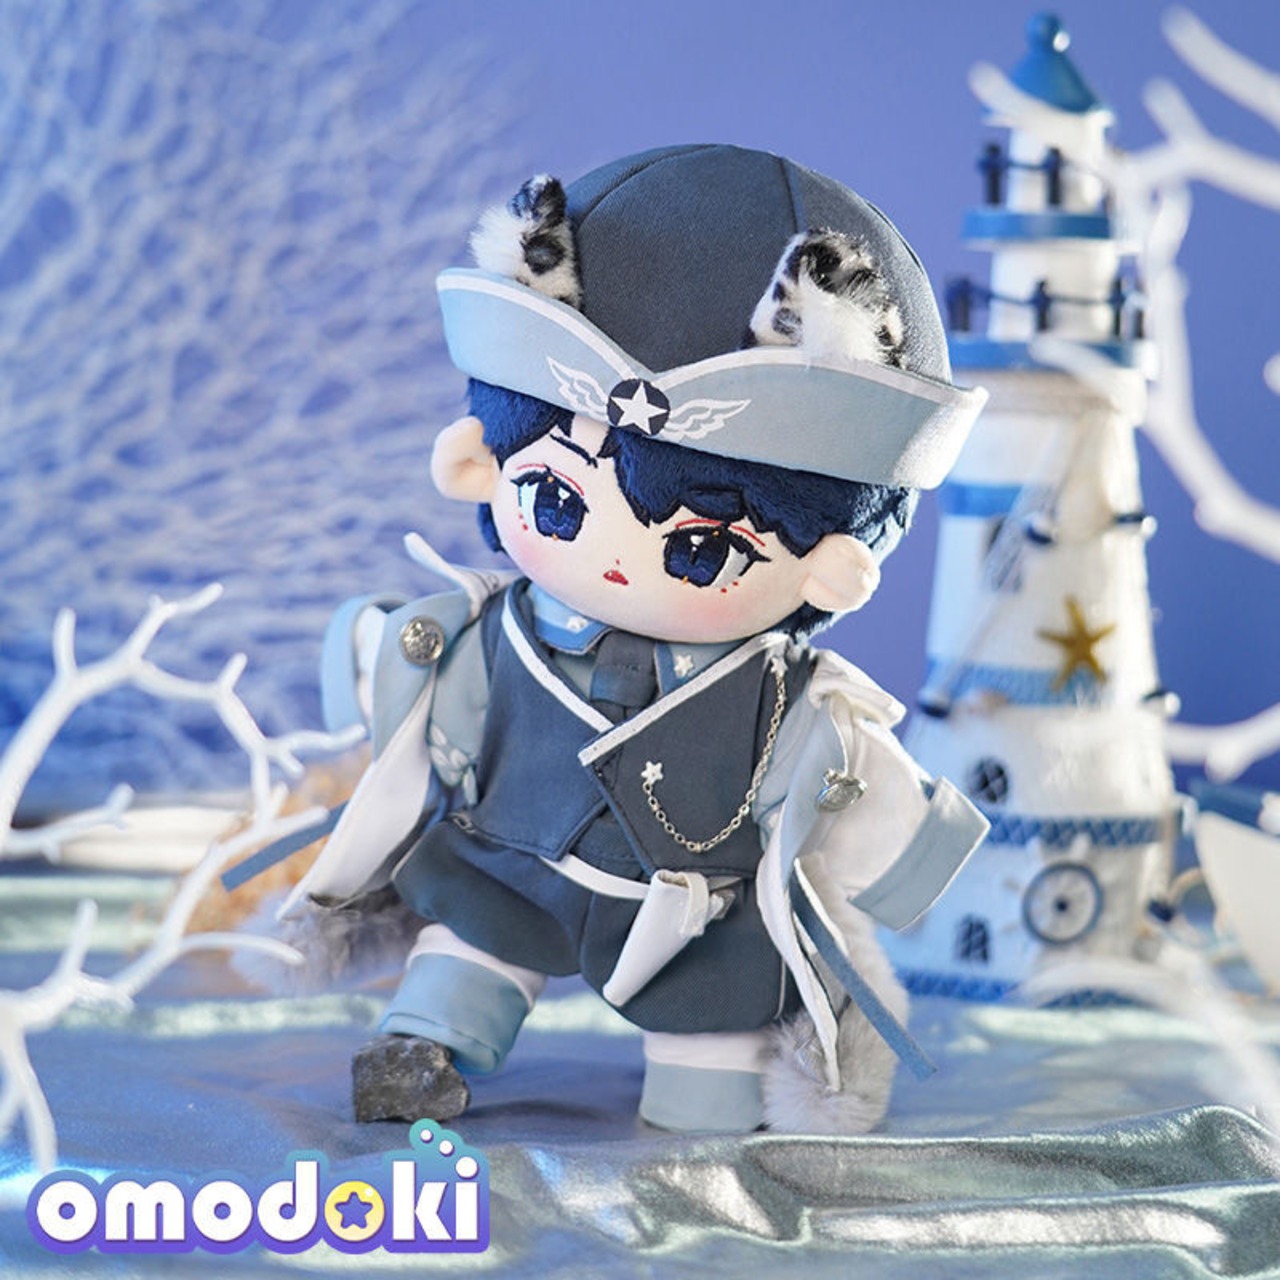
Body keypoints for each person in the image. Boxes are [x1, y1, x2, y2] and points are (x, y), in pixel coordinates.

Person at [283, 144, 989, 1134]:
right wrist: (381, 664)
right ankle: (424, 1040)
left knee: (710, 1075)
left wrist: (906, 860)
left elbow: (847, 778)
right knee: (466, 943)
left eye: (702, 547)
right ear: (476, 465)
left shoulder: (786, 702)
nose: (617, 564)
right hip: (508, 859)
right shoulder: (495, 636)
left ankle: (705, 1108)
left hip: (692, 909)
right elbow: (426, 686)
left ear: (832, 569)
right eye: (555, 499)